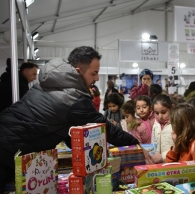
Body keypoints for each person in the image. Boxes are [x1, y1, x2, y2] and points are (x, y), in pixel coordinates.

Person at [0, 46, 153, 193]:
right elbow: (105, 128)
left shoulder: (49, 83)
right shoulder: (73, 99)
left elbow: (62, 127)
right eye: (94, 73)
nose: (97, 78)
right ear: (79, 72)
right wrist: (135, 143)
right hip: (7, 151)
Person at [151, 94, 174, 163]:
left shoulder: (176, 124)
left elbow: (179, 146)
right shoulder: (155, 124)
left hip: (172, 162)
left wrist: (163, 156)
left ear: (171, 108)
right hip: (158, 163)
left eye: (163, 112)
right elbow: (153, 142)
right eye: (156, 113)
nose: (160, 116)